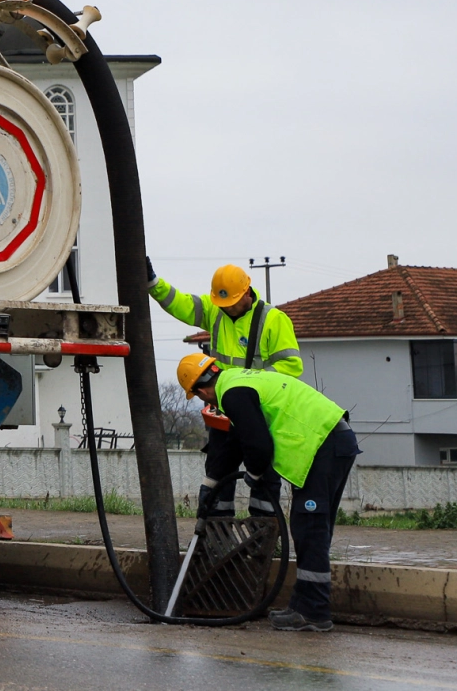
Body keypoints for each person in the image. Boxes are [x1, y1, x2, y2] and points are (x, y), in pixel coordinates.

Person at [177, 353, 360, 632]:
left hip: (324, 443)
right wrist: (212, 485)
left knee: (310, 528)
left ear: (201, 392)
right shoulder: (238, 381)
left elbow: (258, 446)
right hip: (331, 439)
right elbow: (237, 444)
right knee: (310, 527)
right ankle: (304, 606)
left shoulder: (233, 394)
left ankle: (314, 612)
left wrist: (253, 474)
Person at [148, 259, 301, 518]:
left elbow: (290, 367)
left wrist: (250, 385)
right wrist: (154, 283)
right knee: (218, 473)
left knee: (263, 475)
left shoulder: (274, 320)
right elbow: (181, 304)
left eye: (232, 302)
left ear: (247, 293)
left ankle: (263, 531)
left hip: (260, 414)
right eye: (223, 303)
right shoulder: (216, 310)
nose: (227, 308)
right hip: (224, 413)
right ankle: (216, 531)